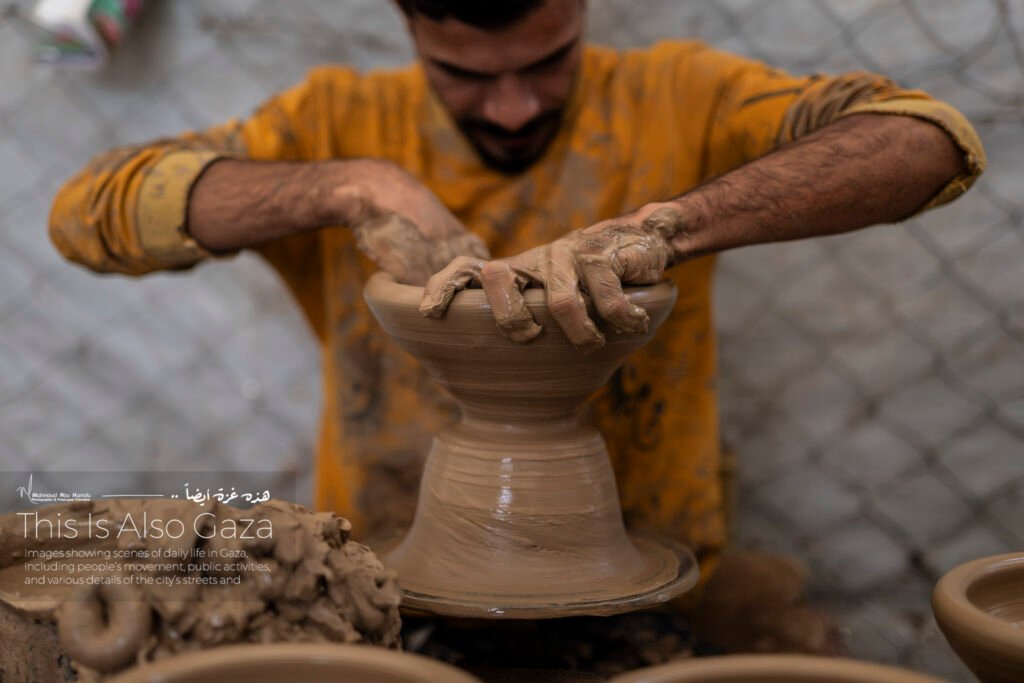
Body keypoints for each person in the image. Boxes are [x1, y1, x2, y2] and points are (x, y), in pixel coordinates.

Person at [50, 0, 984, 649]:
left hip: (644, 572)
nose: (512, 105)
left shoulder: (676, 93)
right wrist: (344, 186)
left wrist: (672, 225)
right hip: (386, 579)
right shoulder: (338, 118)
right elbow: (86, 213)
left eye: (547, 62)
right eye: (465, 74)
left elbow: (926, 139)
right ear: (409, 28)